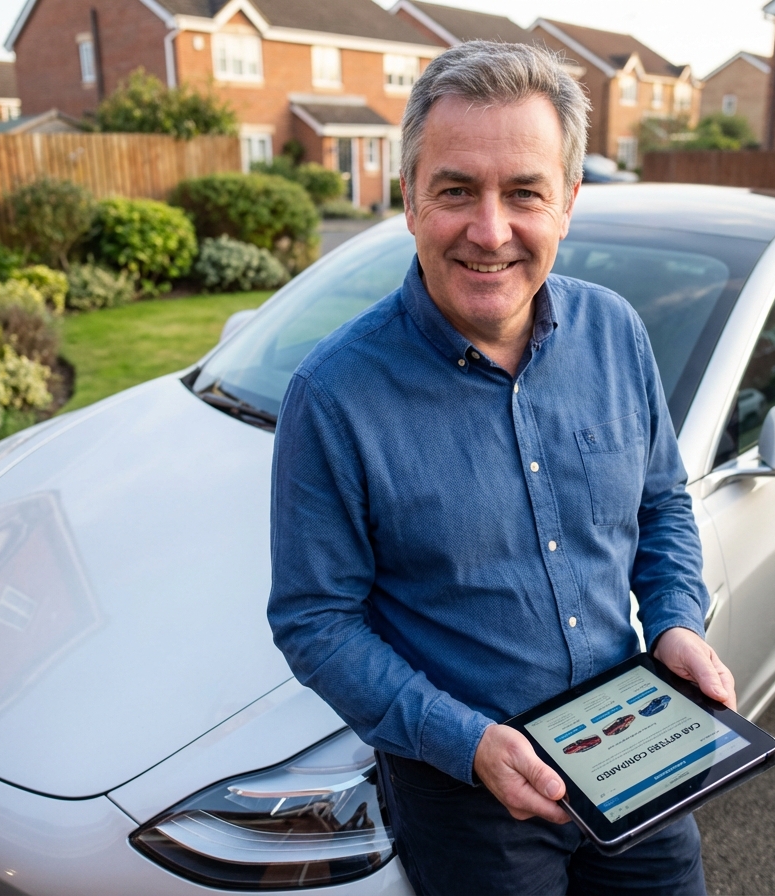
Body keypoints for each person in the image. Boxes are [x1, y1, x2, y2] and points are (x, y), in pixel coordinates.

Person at [268, 40, 736, 896]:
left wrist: (675, 622)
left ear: (568, 202)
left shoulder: (617, 334)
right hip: (467, 801)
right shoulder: (332, 396)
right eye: (455, 190)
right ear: (409, 199)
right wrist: (466, 742)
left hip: (631, 742)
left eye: (524, 191)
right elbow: (315, 620)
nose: (490, 231)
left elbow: (661, 505)